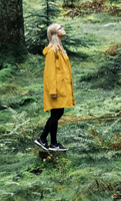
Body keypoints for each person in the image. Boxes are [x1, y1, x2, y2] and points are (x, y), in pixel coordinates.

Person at [34, 23, 74, 152]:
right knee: (56, 114)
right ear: (55, 34)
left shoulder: (59, 48)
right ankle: (52, 143)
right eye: (60, 28)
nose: (63, 28)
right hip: (55, 89)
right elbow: (50, 73)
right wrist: (52, 91)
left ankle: (43, 139)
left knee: (57, 113)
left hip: (60, 87)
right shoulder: (52, 51)